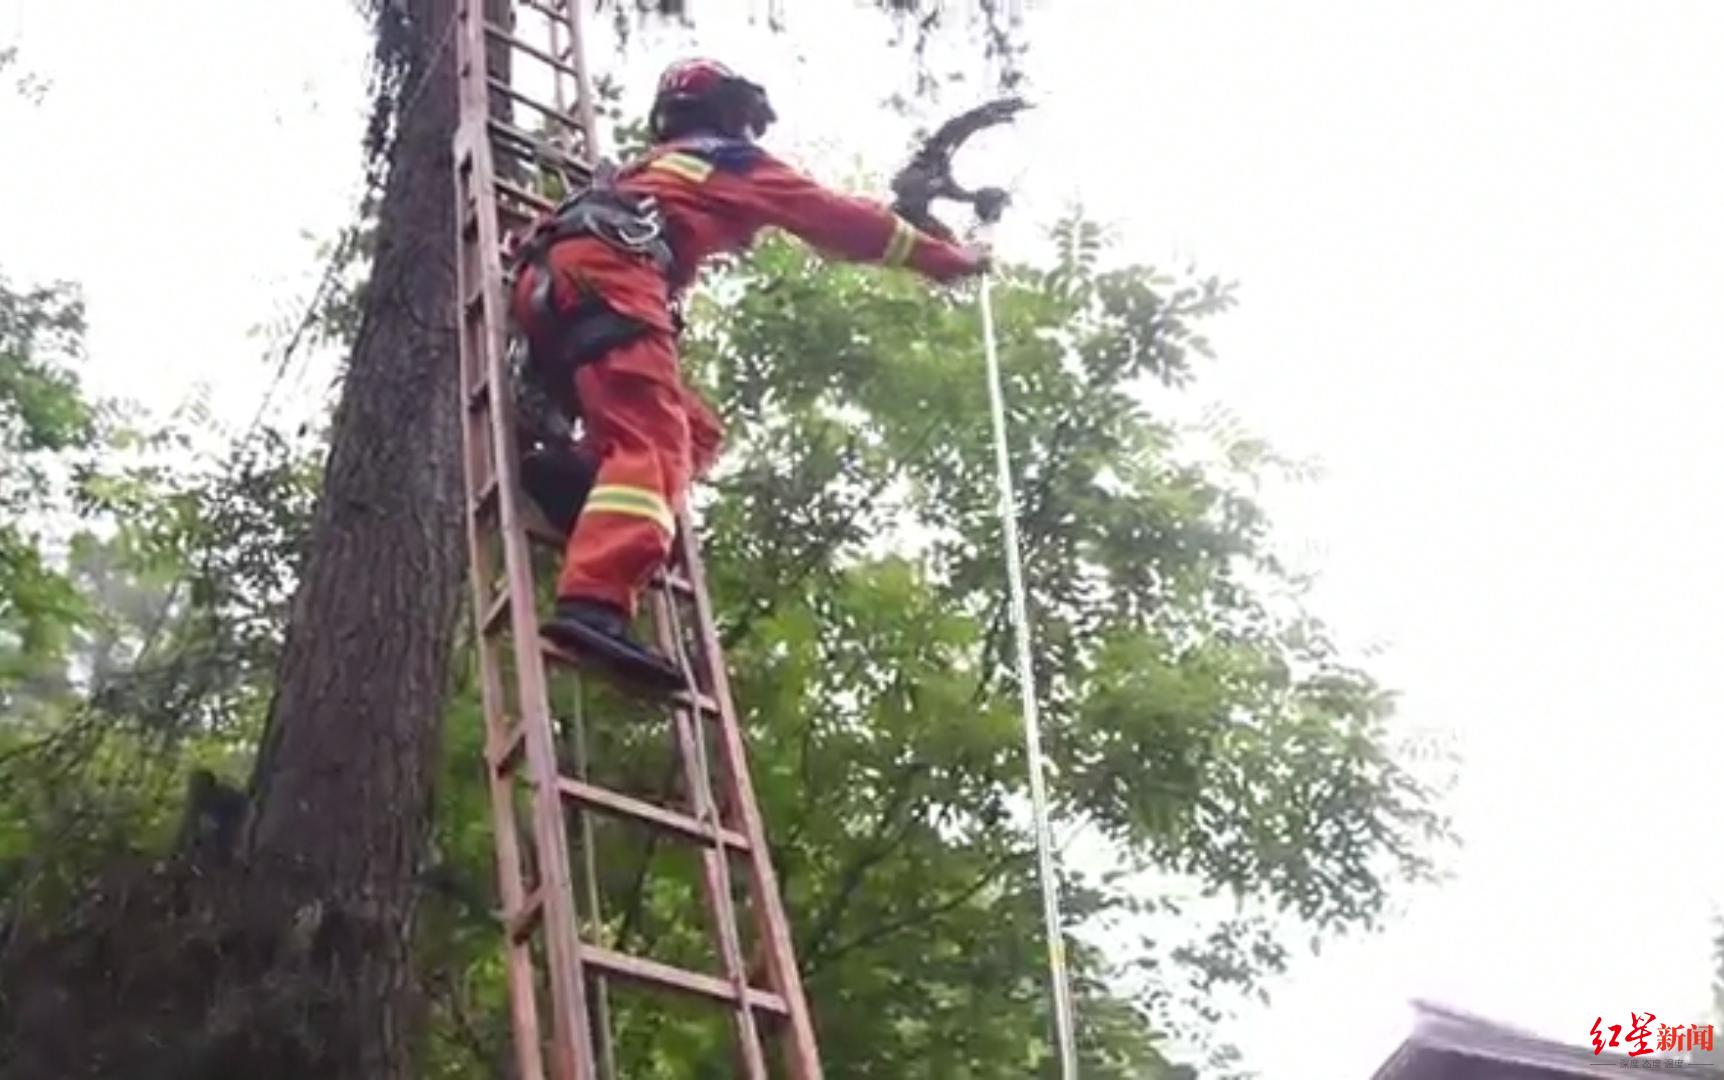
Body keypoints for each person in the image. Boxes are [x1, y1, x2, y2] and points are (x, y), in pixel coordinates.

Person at [509, 57, 991, 691]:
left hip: (551, 284)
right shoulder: (730, 162)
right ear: (729, 115)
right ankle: (594, 602)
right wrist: (947, 257)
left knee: (694, 430)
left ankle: (584, 475)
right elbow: (840, 220)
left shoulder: (651, 170)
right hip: (610, 280)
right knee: (656, 443)